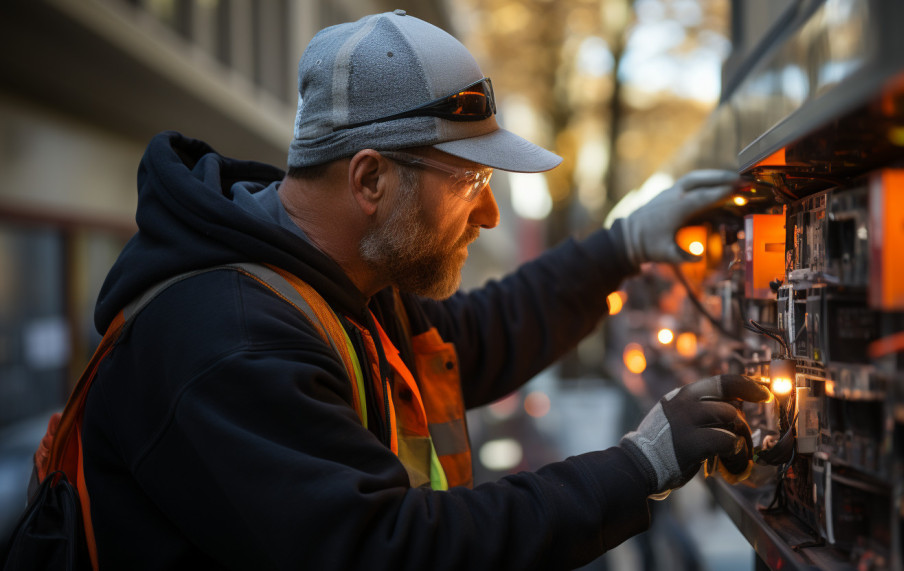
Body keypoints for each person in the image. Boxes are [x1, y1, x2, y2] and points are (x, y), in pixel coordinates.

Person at [81, 10, 768, 570]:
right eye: (471, 181)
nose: (491, 215)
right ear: (370, 180)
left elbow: (475, 337)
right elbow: (395, 549)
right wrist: (636, 465)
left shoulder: (340, 283)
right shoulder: (231, 343)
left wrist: (622, 245)